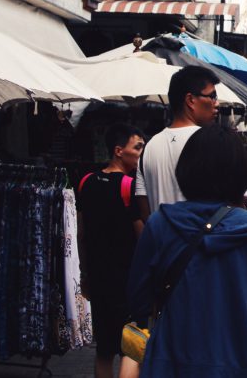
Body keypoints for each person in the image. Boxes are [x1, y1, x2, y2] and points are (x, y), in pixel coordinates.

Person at [126, 125, 247, 378]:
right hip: (241, 365)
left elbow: (138, 301)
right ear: (241, 174)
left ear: (185, 170)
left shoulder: (160, 224)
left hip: (170, 365)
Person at [77, 125, 145, 378]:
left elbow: (81, 233)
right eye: (137, 147)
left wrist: (84, 274)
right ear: (119, 151)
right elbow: (142, 239)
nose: (141, 152)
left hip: (98, 278)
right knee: (131, 348)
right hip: (127, 281)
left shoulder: (86, 181)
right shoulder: (128, 186)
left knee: (104, 350)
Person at [136, 65, 220, 220]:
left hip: (161, 242)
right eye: (212, 96)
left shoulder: (148, 148)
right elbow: (236, 205)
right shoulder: (215, 142)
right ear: (190, 100)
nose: (217, 103)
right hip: (203, 242)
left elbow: (144, 212)